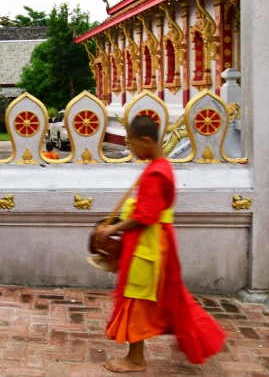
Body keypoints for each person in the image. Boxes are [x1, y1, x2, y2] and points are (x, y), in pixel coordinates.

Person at [95, 116, 226, 372]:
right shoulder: (160, 166)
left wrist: (113, 228)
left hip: (148, 246)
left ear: (146, 140)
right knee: (169, 299)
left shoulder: (156, 172)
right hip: (153, 242)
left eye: (132, 144)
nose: (131, 150)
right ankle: (201, 338)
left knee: (136, 298)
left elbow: (146, 216)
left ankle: (135, 359)